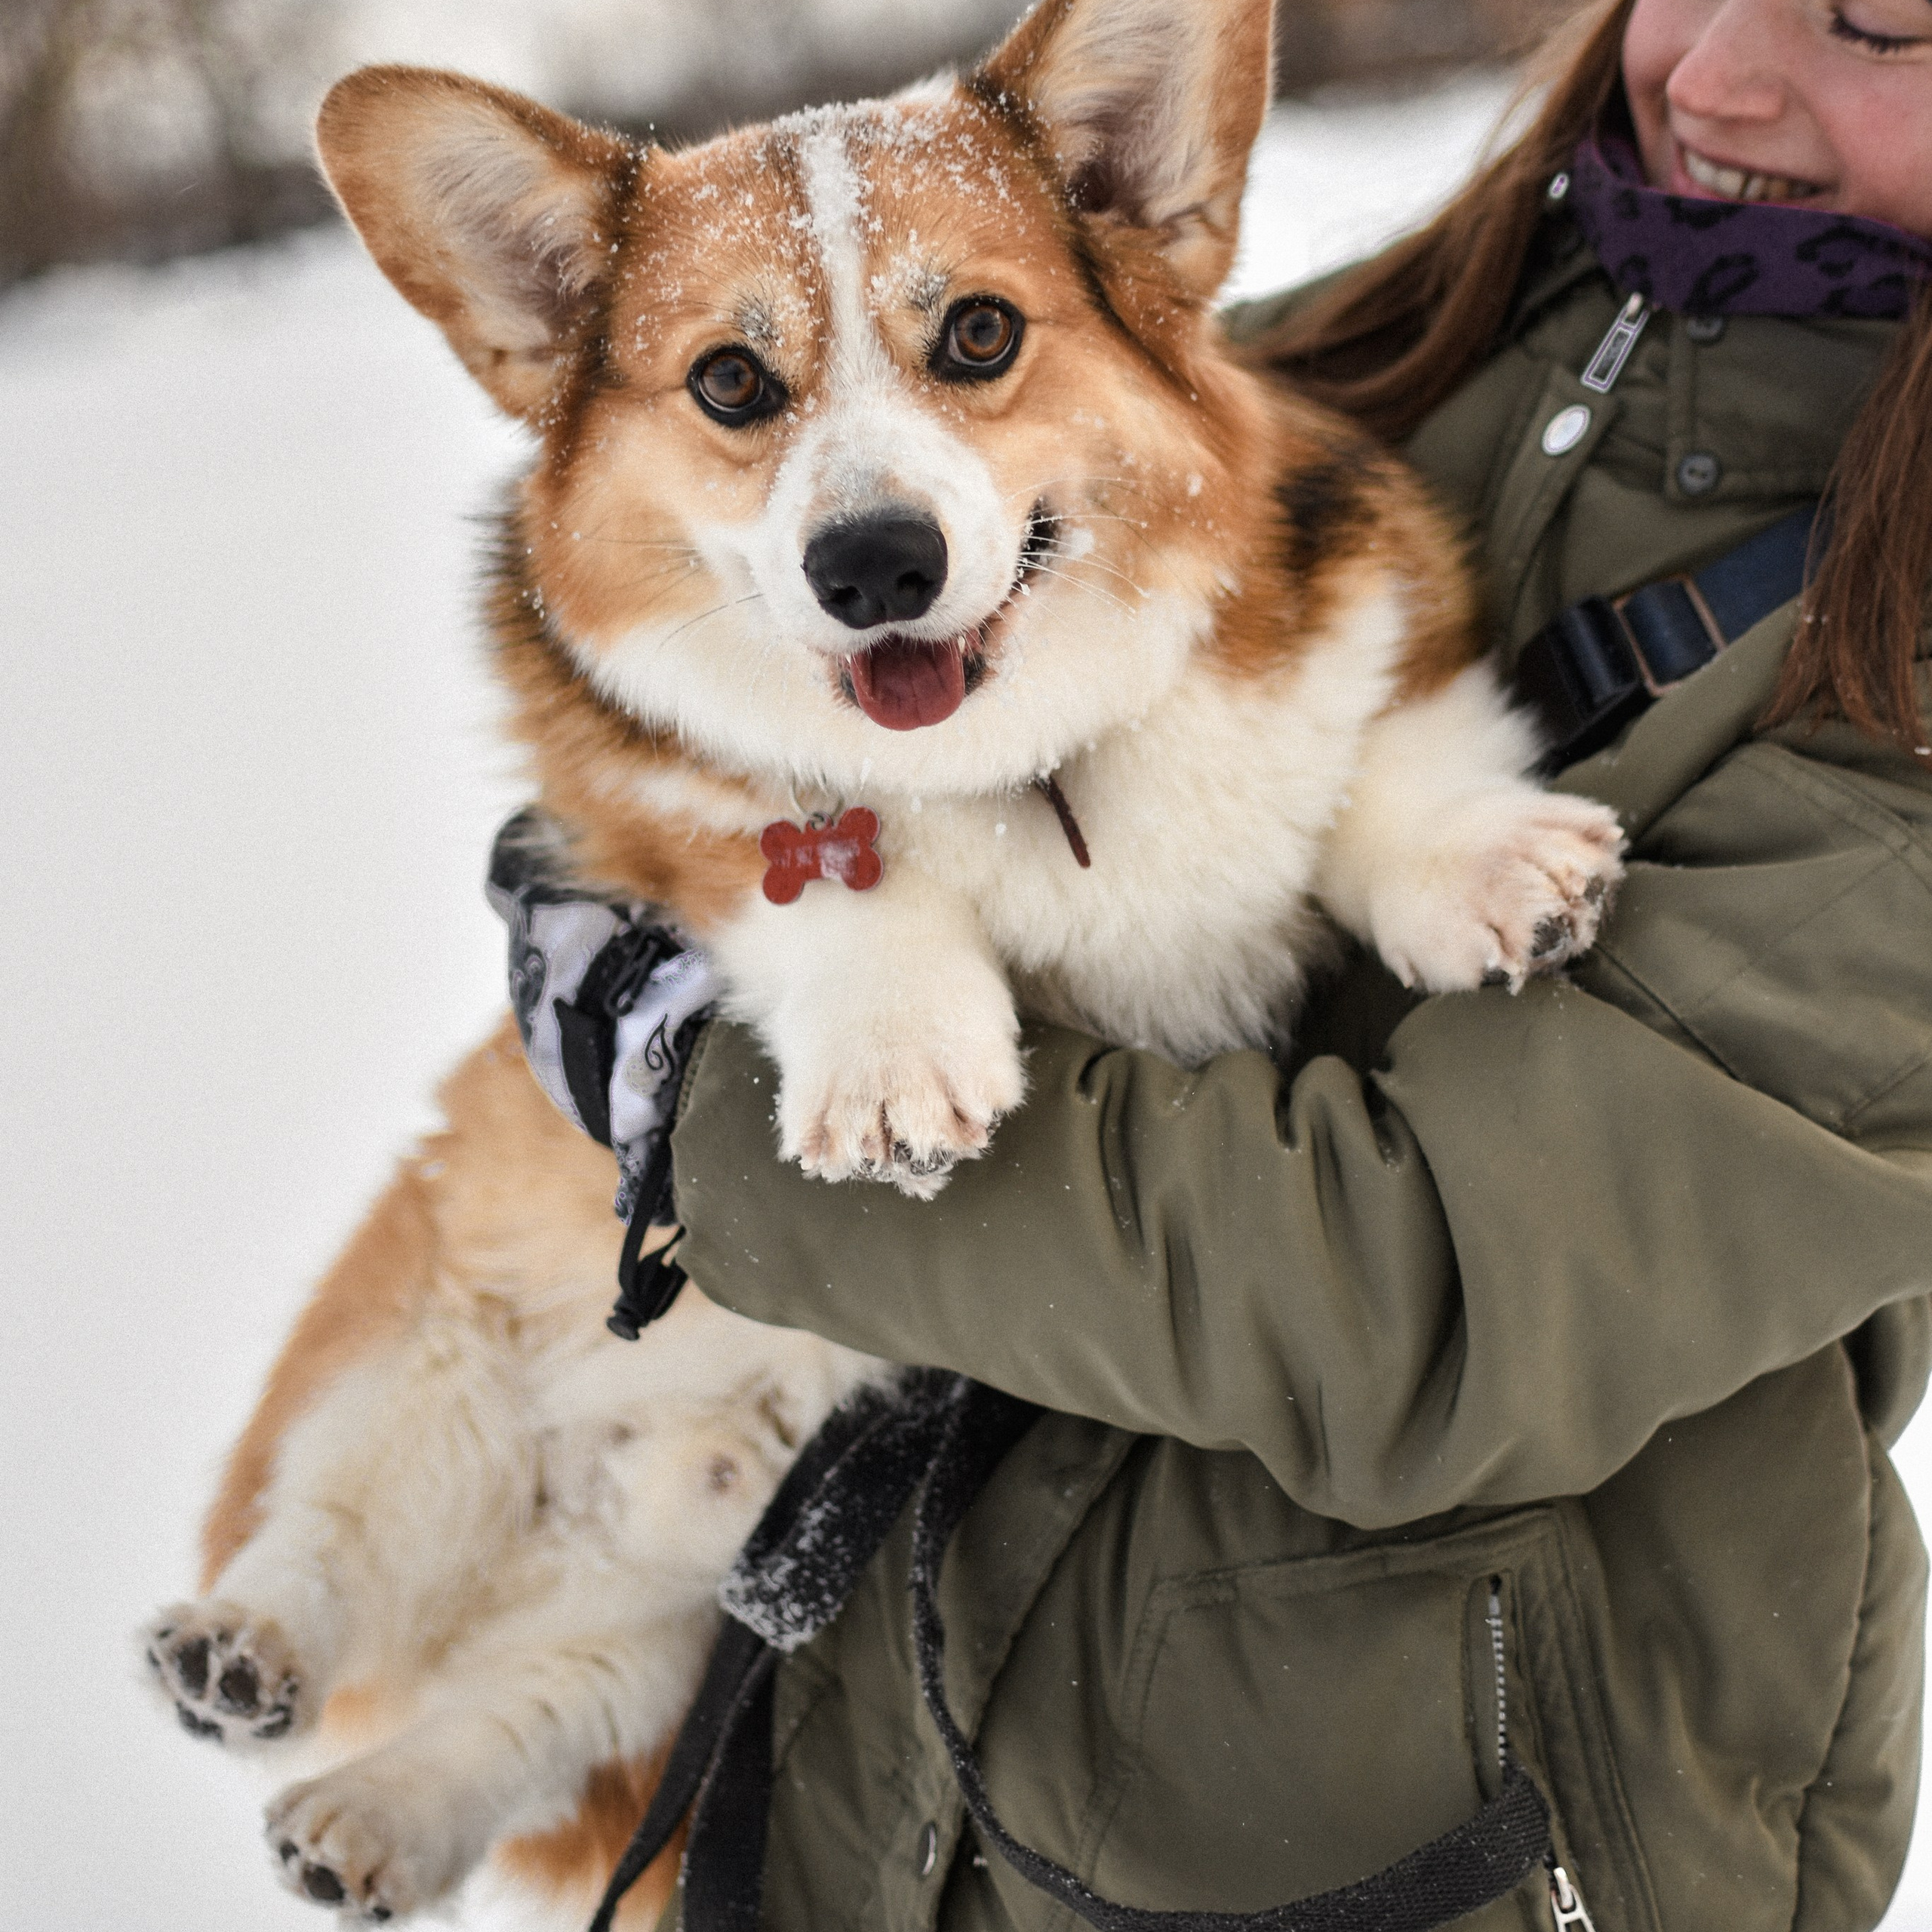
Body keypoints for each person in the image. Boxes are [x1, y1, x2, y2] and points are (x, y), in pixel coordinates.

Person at [644, 0, 1932, 1923]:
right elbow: (787, 660)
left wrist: (708, 1121)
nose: (1721, 75)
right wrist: (651, 872)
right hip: (902, 1775)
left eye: (1875, 26)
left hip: (1428, 1846)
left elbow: (1411, 1294)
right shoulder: (1395, 340)